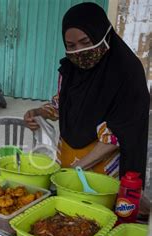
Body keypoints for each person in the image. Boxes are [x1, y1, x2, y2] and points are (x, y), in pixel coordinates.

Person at [24, 2, 149, 179]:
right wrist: (39, 112)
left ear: (103, 34)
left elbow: (122, 132)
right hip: (67, 161)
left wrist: (77, 169)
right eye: (71, 45)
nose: (79, 52)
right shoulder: (70, 69)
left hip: (104, 171)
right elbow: (62, 102)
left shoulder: (126, 73)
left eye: (85, 42)